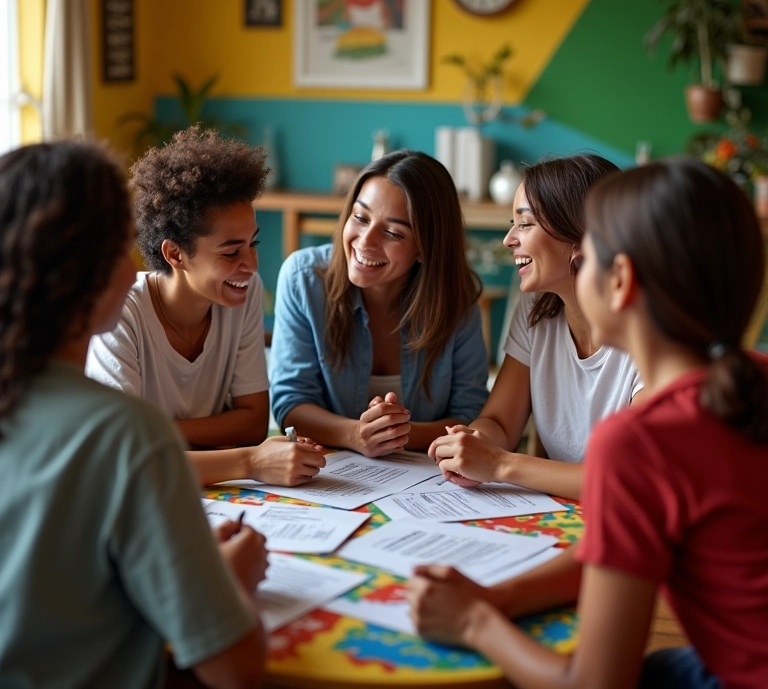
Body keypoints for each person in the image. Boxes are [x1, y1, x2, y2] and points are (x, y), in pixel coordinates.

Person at [408, 158, 768, 689]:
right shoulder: (748, 382)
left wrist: (473, 620)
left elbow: (595, 683)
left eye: (592, 249)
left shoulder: (642, 441)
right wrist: (496, 597)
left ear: (619, 280)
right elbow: (618, 547)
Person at [0, 141, 268, 687]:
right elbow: (236, 667)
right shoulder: (126, 435)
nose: (133, 264)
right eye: (122, 246)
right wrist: (227, 580)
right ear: (93, 274)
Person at [87, 126, 325, 486]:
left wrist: (156, 433)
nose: (251, 265)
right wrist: (250, 461)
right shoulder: (122, 314)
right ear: (175, 254)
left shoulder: (241, 293)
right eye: (231, 252)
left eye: (252, 244)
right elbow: (126, 457)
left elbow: (252, 422)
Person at [428, 154, 642, 499]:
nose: (509, 239)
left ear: (580, 238)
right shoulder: (537, 308)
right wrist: (473, 444)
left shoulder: (649, 335)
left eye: (525, 224)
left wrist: (499, 464)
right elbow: (499, 422)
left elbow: (630, 477)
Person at [269, 149, 489, 458]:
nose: (365, 242)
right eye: (360, 217)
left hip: (425, 481)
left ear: (426, 248)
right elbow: (290, 406)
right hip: (330, 476)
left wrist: (393, 433)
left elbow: (470, 414)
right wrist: (355, 435)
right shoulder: (303, 279)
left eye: (392, 232)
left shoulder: (456, 299)